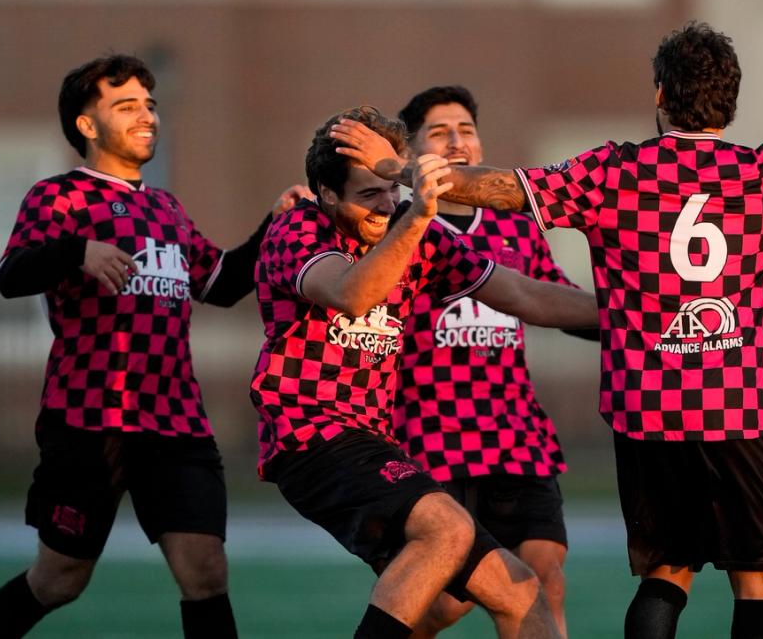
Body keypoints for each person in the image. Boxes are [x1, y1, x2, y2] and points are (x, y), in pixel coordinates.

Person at [330, 22, 763, 639]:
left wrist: (389, 165)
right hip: (738, 407)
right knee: (758, 582)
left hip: (645, 410)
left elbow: (491, 187)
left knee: (667, 572)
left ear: (659, 96)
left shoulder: (612, 173)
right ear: (730, 100)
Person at [0, 54, 310, 639]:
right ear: (87, 124)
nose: (147, 115)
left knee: (205, 571)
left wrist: (274, 224)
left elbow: (223, 283)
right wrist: (76, 251)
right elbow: (10, 275)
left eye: (150, 105)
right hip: (89, 421)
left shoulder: (167, 209)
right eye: (126, 105)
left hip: (175, 423)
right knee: (60, 580)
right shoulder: (59, 197)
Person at [251, 105, 598, 639]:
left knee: (522, 591)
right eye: (370, 194)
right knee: (448, 528)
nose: (387, 205)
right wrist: (414, 218)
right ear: (326, 194)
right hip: (312, 436)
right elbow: (353, 293)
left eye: (393, 191)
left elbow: (527, 295)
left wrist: (641, 314)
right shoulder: (298, 228)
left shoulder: (420, 236)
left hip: (373, 439)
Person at [394, 86, 594, 637]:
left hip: (514, 432)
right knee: (448, 601)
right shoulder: (398, 229)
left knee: (546, 575)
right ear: (410, 153)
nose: (458, 142)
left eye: (467, 130)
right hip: (432, 435)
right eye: (439, 133)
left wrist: (640, 322)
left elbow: (557, 300)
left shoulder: (516, 226)